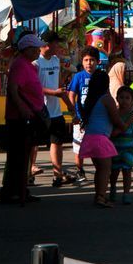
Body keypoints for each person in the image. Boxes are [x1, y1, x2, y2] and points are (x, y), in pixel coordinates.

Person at [70, 47, 122, 207]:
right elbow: (116, 120)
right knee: (105, 170)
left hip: (90, 138)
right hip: (100, 139)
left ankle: (98, 196)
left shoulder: (91, 100)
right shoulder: (107, 99)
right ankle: (100, 197)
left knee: (100, 169)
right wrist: (127, 122)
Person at [0, 32, 46, 206]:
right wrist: (22, 108)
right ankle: (14, 193)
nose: (37, 51)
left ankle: (20, 191)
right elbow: (13, 89)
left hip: (26, 116)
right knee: (17, 157)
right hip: (19, 118)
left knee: (22, 157)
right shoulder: (20, 65)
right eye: (35, 48)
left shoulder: (27, 64)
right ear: (26, 49)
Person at [34, 32, 78, 186]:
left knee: (57, 142)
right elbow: (34, 88)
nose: (58, 47)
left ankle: (57, 175)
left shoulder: (55, 60)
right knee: (34, 143)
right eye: (56, 43)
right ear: (47, 43)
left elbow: (60, 87)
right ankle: (28, 173)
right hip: (40, 110)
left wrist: (71, 108)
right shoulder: (35, 63)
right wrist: (54, 93)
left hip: (56, 110)